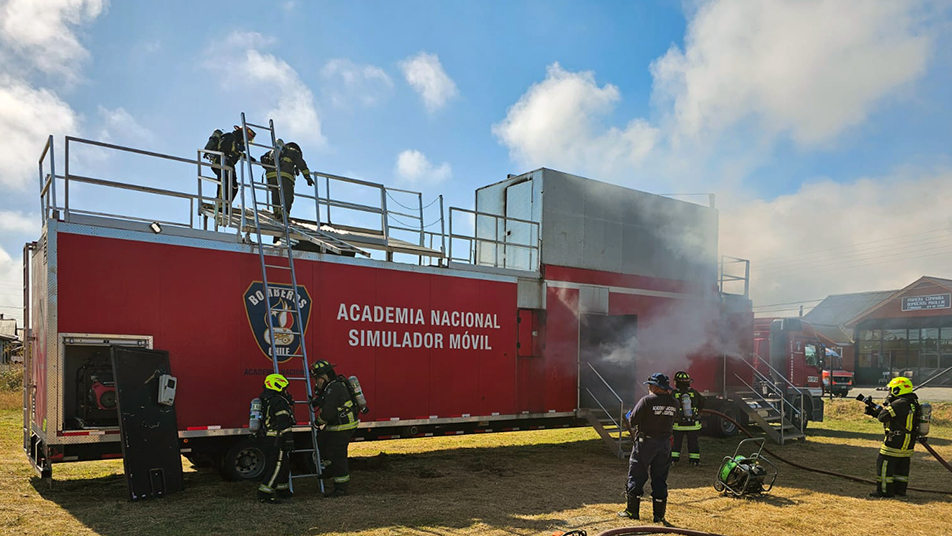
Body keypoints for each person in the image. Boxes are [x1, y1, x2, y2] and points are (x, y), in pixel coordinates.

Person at [618, 372, 678, 523]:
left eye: (650, 385)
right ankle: (659, 515)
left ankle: (632, 511)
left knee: (637, 475)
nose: (649, 387)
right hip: (664, 445)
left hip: (646, 444)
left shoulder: (646, 401)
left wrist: (629, 414)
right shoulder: (674, 403)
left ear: (657, 387)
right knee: (660, 478)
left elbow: (632, 420)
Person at [310, 360, 359, 497]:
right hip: (335, 425)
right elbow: (326, 400)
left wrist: (316, 423)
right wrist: (317, 399)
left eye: (317, 378)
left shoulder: (334, 387)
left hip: (343, 426)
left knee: (339, 456)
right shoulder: (330, 386)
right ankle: (330, 469)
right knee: (321, 440)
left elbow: (328, 412)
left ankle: (341, 488)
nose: (316, 381)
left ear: (325, 376)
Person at [866, 376, 921, 498]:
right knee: (902, 467)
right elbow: (897, 419)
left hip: (894, 442)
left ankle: (884, 491)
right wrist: (876, 413)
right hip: (908, 443)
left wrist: (878, 412)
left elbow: (883, 417)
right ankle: (900, 490)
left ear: (897, 390)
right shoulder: (913, 403)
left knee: (884, 464)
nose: (889, 392)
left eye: (891, 390)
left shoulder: (899, 403)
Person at [257, 373, 295, 503]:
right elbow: (283, 421)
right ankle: (265, 493)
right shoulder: (279, 401)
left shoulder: (266, 399)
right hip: (277, 439)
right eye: (285, 388)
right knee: (277, 466)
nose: (286, 392)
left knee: (284, 465)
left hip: (268, 438)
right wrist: (289, 438)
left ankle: (282, 490)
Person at [207, 125, 255, 217]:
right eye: (248, 139)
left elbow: (234, 152)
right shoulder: (229, 136)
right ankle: (220, 205)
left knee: (234, 187)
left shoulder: (235, 142)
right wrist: (228, 157)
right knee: (224, 183)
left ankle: (226, 204)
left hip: (229, 165)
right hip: (221, 163)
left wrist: (245, 156)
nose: (246, 142)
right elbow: (224, 148)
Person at [260, 139, 312, 223]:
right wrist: (307, 177)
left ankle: (277, 212)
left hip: (271, 176)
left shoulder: (273, 151)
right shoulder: (294, 152)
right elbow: (301, 164)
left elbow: (263, 160)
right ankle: (284, 214)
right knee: (287, 195)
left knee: (275, 193)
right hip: (285, 176)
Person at [671, 370, 705, 467]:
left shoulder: (674, 394)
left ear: (677, 382)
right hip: (693, 425)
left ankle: (674, 460)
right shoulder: (694, 393)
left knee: (676, 443)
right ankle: (694, 461)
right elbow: (702, 403)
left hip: (678, 425)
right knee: (693, 443)